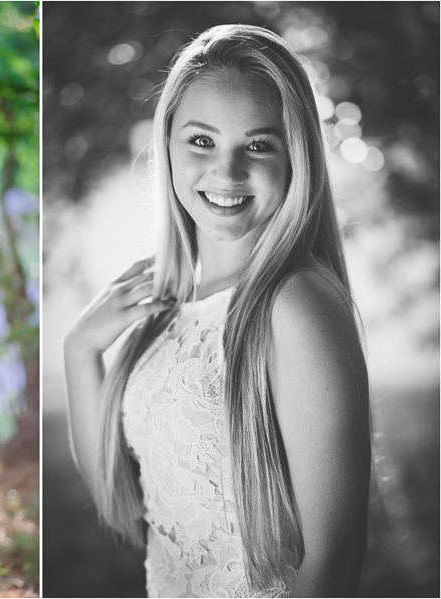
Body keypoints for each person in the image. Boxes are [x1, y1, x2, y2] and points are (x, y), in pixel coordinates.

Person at [64, 24, 370, 597]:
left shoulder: (295, 304)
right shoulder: (166, 305)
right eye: (201, 141)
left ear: (295, 155)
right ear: (167, 145)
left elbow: (336, 560)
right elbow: (127, 507)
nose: (226, 173)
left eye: (258, 145)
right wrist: (80, 350)